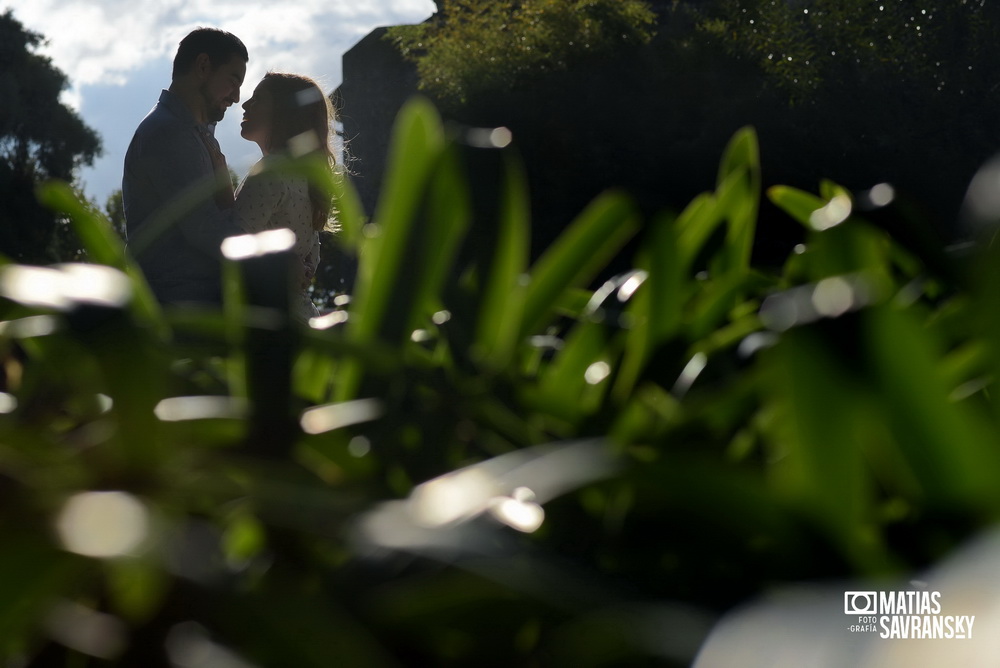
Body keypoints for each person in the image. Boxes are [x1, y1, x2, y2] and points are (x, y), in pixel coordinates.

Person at [122, 27, 248, 306]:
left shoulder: (195, 133)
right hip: (182, 309)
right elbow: (206, 230)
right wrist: (268, 256)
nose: (237, 97)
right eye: (233, 80)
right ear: (203, 66)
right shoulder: (169, 133)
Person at [206, 72, 337, 321]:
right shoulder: (306, 177)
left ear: (284, 113)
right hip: (300, 316)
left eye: (257, 100)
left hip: (270, 320)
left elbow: (232, 242)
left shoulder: (271, 172)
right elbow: (310, 260)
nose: (244, 105)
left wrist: (220, 183)